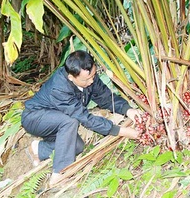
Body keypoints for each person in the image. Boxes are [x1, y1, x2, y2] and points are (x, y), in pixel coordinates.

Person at [21, 50, 142, 186]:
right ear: (71, 77)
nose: (91, 81)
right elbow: (84, 117)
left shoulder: (90, 77)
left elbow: (106, 98)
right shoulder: (59, 87)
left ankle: (38, 149)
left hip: (56, 119)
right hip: (34, 118)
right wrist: (120, 131)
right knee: (70, 122)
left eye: (93, 75)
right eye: (86, 79)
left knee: (77, 146)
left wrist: (128, 110)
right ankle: (59, 175)